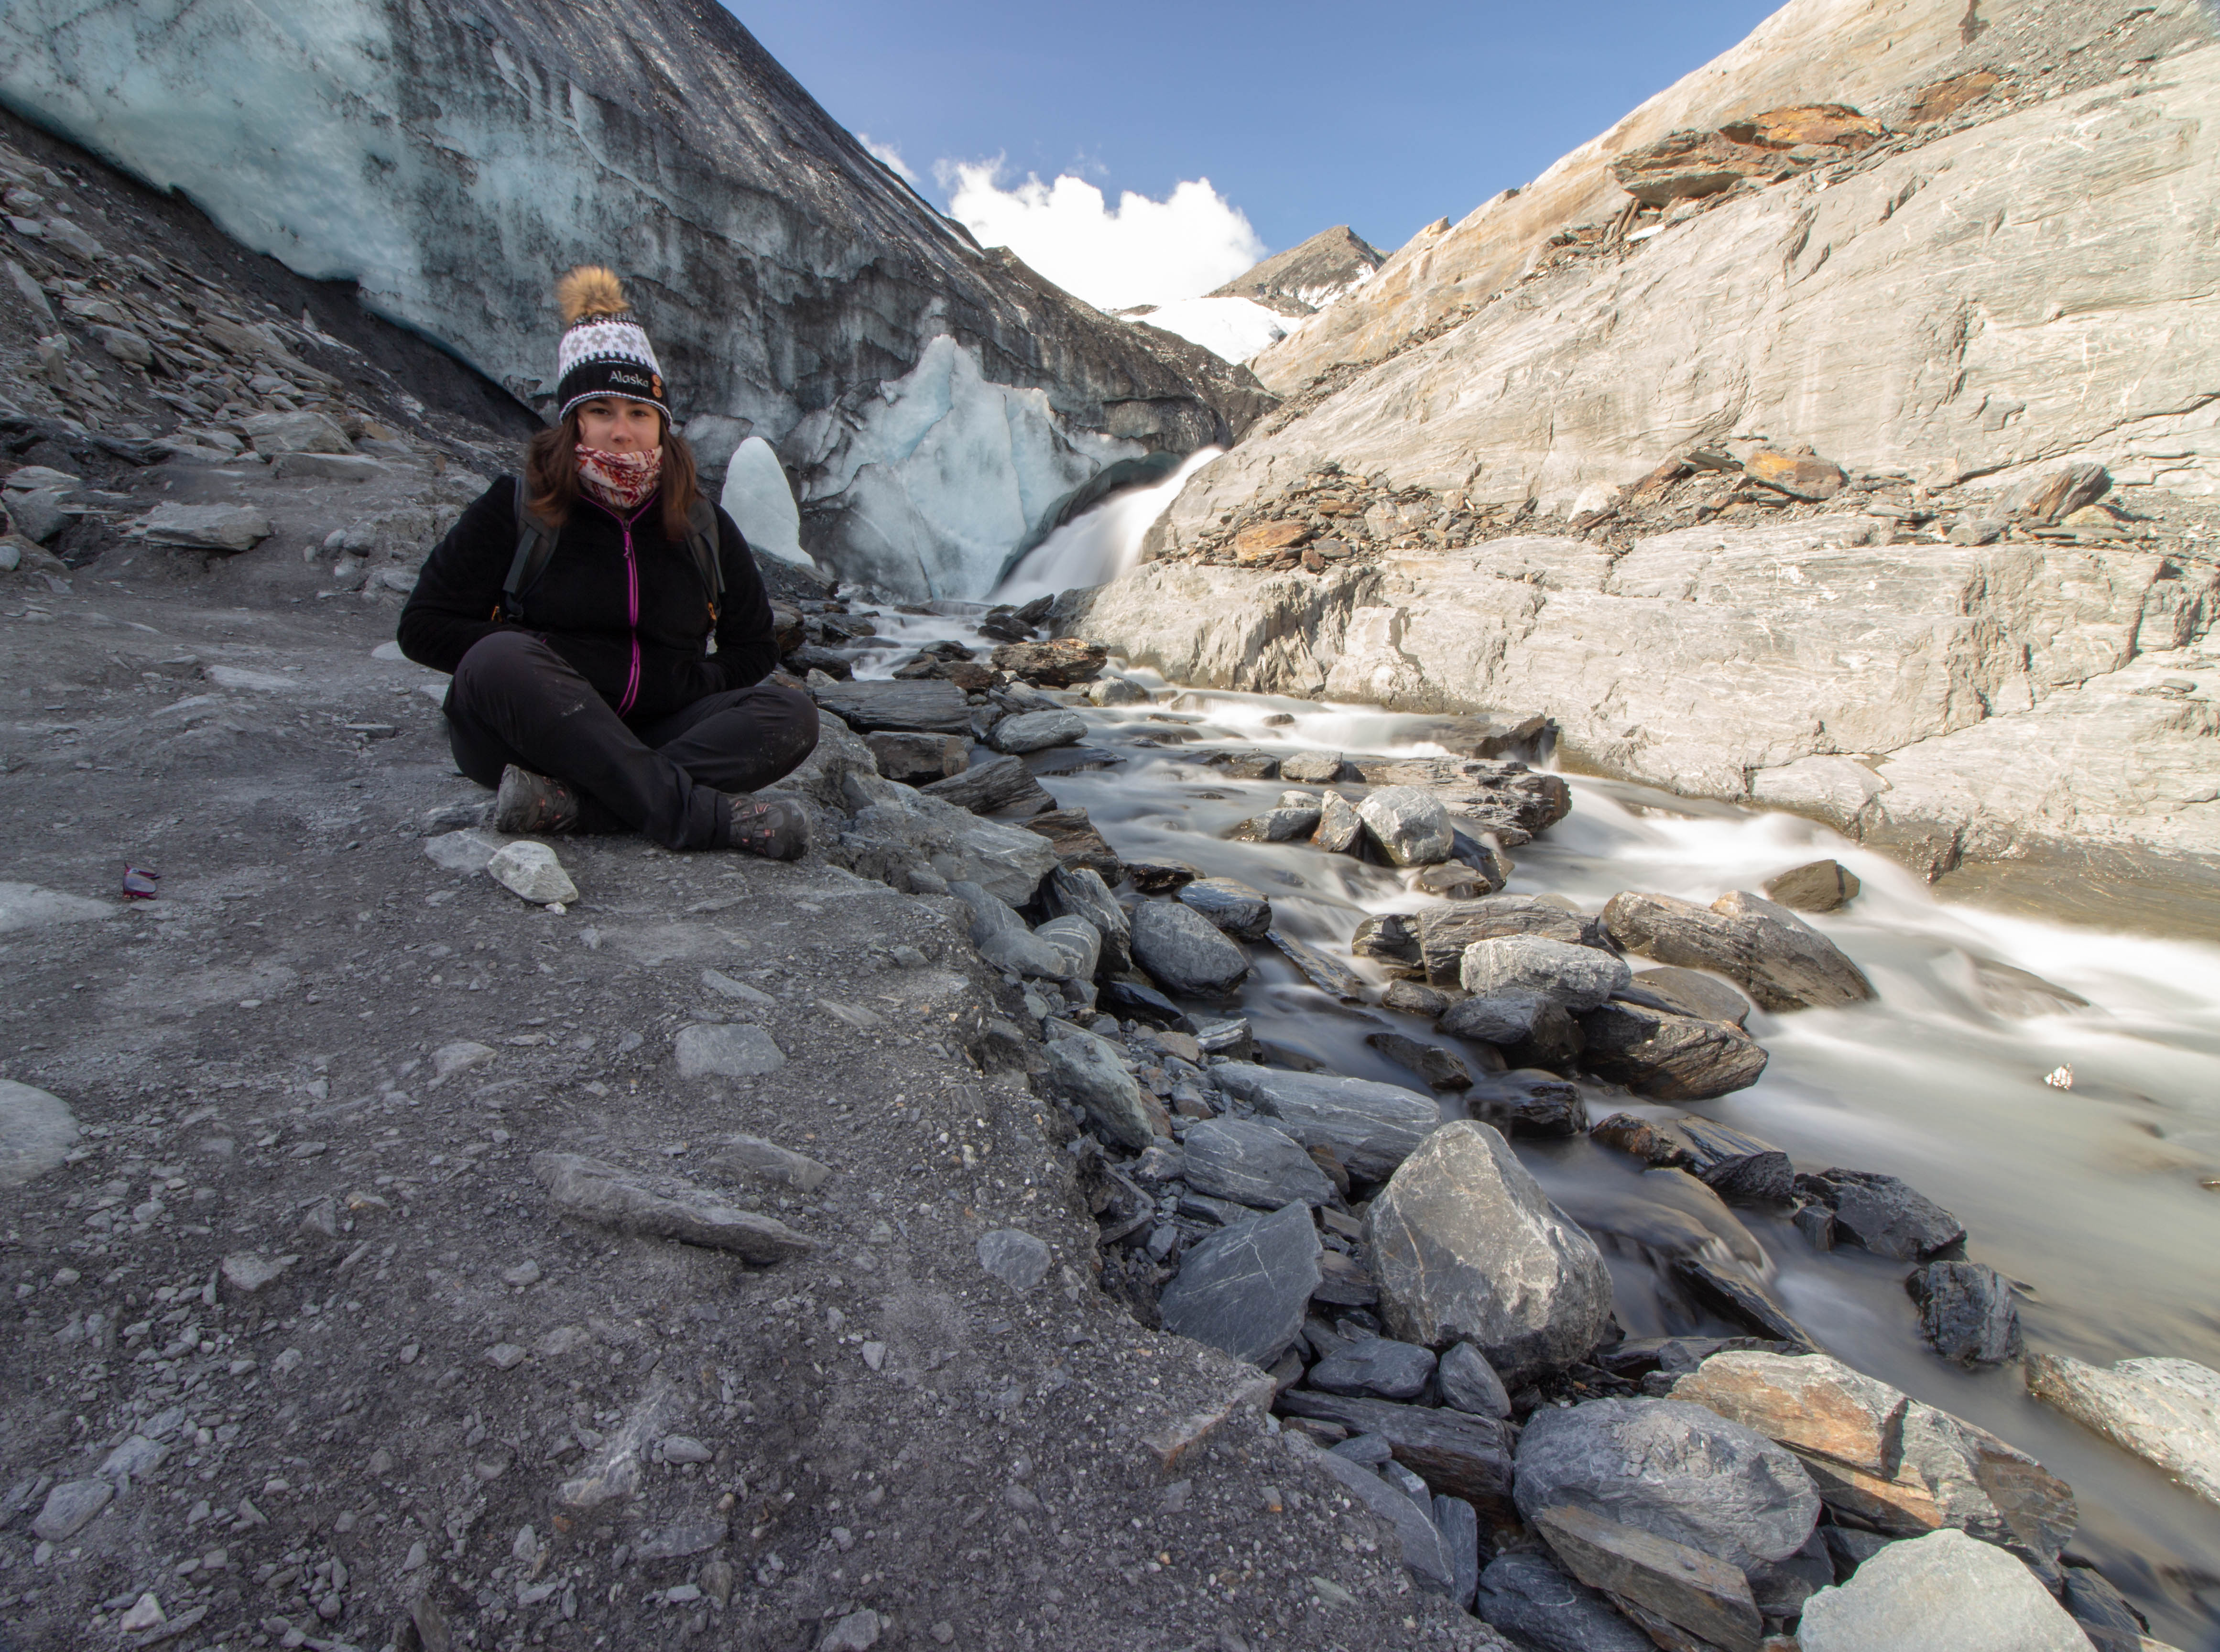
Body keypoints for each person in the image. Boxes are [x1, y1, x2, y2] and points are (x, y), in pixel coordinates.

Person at [399, 267, 818, 858]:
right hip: (529, 735)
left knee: (791, 712)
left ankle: (577, 806)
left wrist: (692, 682)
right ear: (574, 421)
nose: (622, 432)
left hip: (651, 728)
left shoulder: (703, 527)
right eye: (601, 410)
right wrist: (545, 655)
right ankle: (699, 817)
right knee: (498, 655)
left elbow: (753, 648)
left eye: (639, 413)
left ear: (662, 428)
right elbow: (422, 628)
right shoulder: (517, 508)